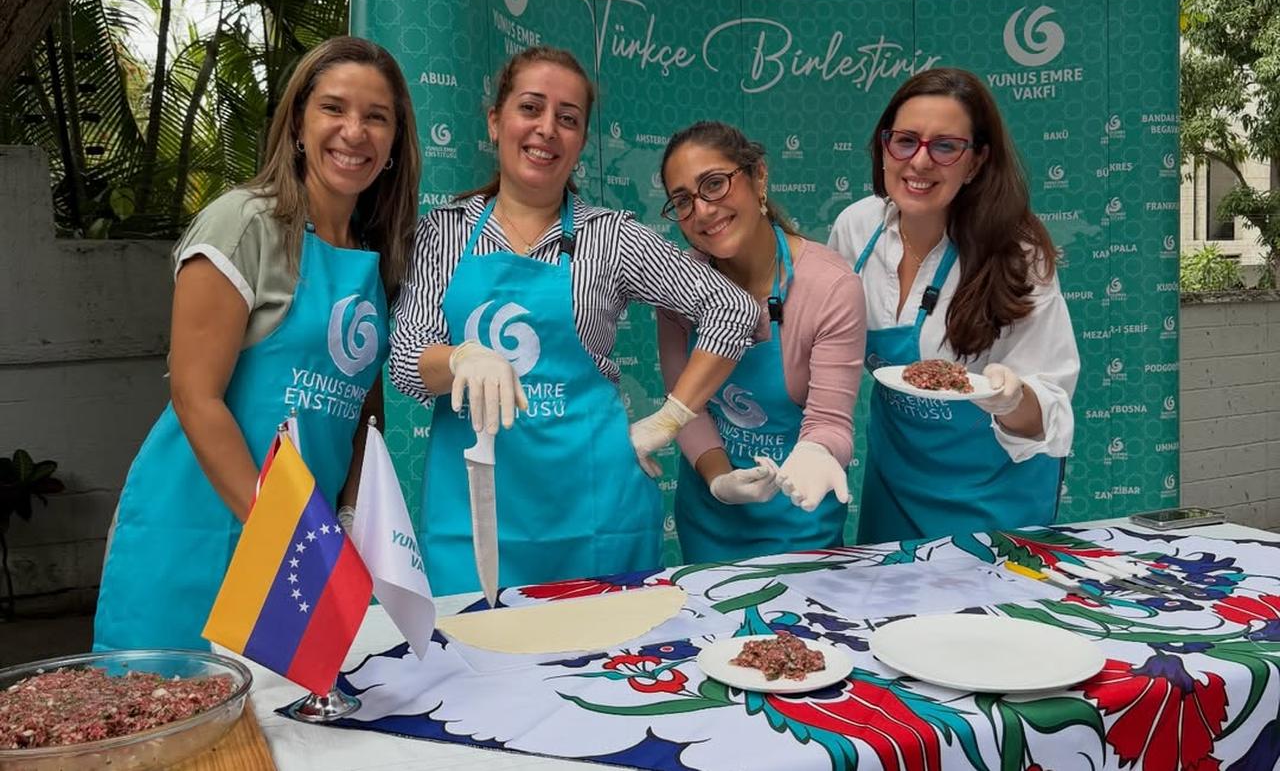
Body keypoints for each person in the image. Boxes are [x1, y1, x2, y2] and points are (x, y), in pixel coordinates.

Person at [389, 47, 759, 596]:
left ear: (582, 141)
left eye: (568, 119)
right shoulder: (441, 232)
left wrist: (671, 418)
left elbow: (733, 308)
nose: (546, 130)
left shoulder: (611, 237)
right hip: (475, 516)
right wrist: (462, 357)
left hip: (596, 513)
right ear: (496, 121)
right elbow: (405, 359)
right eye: (530, 109)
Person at [94, 37, 421, 651]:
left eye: (376, 117)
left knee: (281, 737)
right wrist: (279, 536)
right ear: (298, 122)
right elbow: (195, 396)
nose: (354, 131)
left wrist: (347, 514)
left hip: (296, 551)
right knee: (176, 723)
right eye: (334, 108)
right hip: (198, 527)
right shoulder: (244, 223)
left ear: (395, 144)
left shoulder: (375, 259)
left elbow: (360, 412)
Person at [827, 67, 1078, 544]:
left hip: (994, 497)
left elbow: (1049, 412)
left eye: (945, 146)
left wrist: (1010, 398)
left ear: (977, 161)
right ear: (883, 148)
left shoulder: (1017, 254)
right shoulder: (856, 229)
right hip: (895, 485)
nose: (920, 162)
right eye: (905, 141)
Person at [657, 122, 866, 562]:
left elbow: (830, 421)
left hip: (800, 524)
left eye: (714, 184)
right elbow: (685, 405)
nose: (703, 210)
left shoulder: (830, 286)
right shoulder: (677, 285)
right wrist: (719, 481)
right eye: (683, 201)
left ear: (758, 177)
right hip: (709, 524)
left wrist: (815, 452)